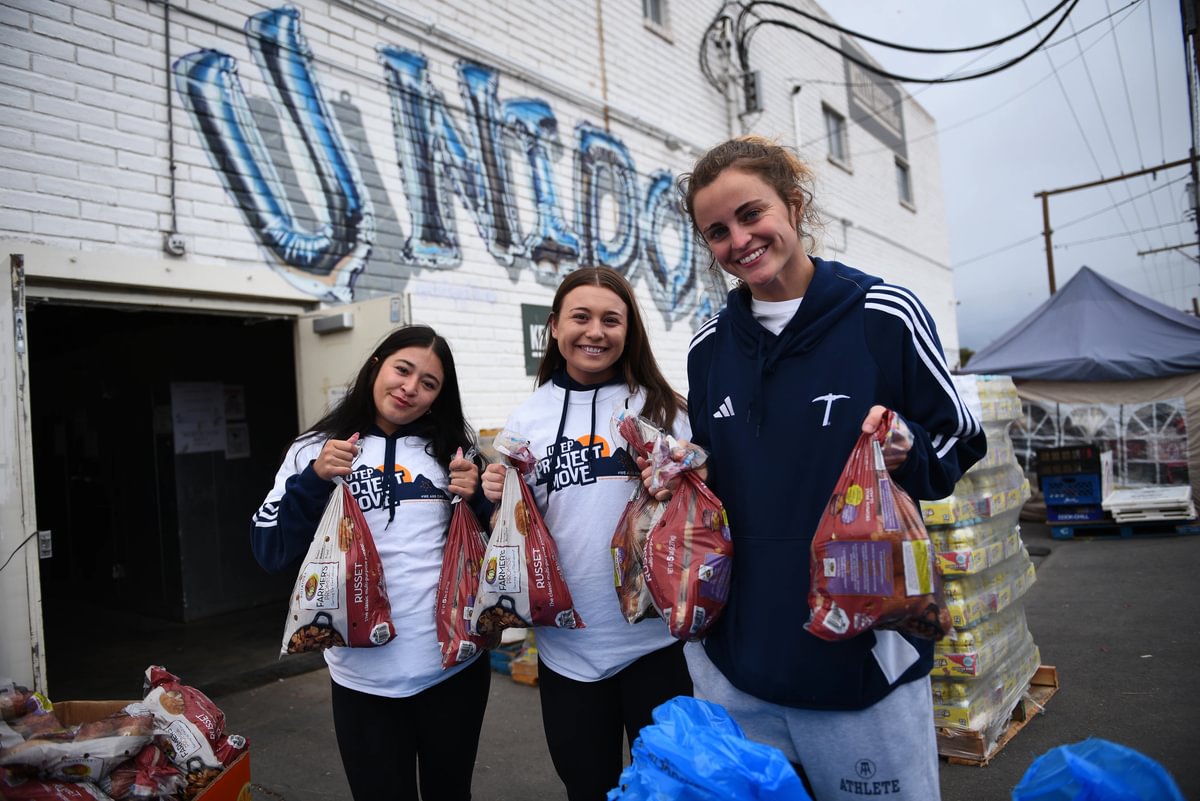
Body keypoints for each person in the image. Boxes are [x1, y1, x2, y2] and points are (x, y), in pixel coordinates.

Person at [669, 135, 988, 801]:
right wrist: (676, 470)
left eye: (751, 214)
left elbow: (961, 438)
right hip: (740, 663)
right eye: (717, 231)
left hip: (863, 659)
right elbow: (715, 477)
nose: (739, 240)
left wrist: (908, 445)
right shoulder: (707, 348)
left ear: (794, 202)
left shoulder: (883, 314)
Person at [480, 266, 694, 801]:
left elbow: (706, 514)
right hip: (567, 648)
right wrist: (496, 497)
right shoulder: (528, 417)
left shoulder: (664, 409)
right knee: (586, 787)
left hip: (658, 644)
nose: (595, 331)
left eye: (610, 319)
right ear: (555, 327)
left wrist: (683, 480)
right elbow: (515, 530)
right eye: (581, 317)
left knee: (670, 791)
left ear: (629, 331)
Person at [251, 325, 489, 801]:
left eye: (429, 383)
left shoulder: (454, 451)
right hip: (361, 679)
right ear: (377, 364)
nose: (410, 388)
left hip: (454, 669)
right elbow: (270, 551)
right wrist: (316, 479)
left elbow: (494, 543)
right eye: (403, 369)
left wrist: (482, 496)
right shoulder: (312, 449)